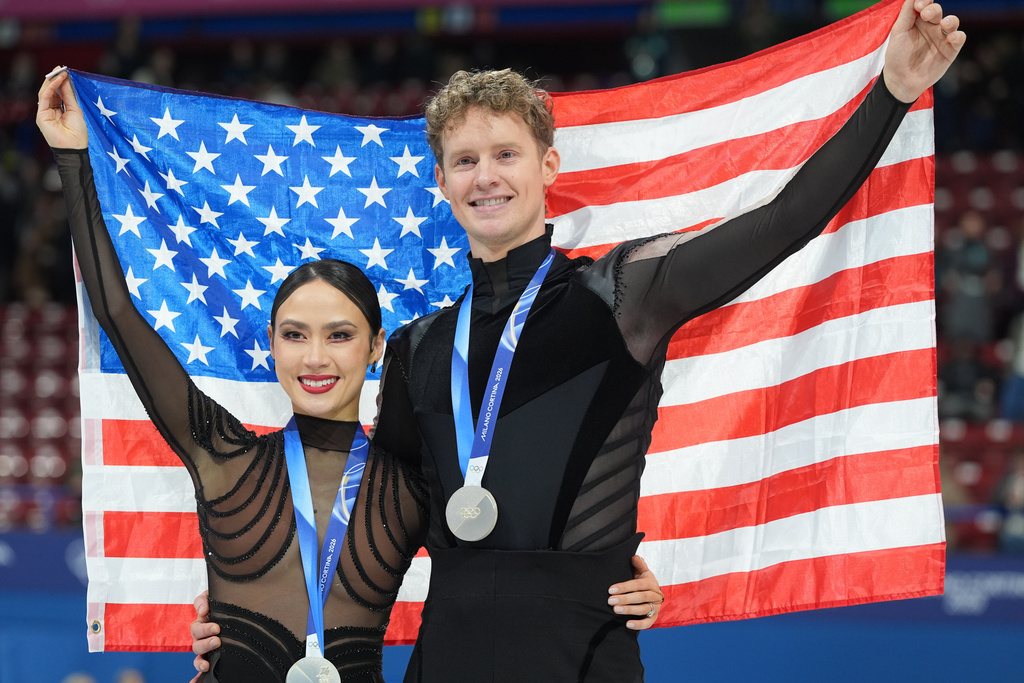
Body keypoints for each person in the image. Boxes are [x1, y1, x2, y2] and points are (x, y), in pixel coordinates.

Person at [194, 0, 964, 680]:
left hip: (584, 652)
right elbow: (372, 515)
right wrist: (246, 617)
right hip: (448, 655)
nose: (485, 176)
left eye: (505, 154)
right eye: (464, 160)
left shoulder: (624, 294)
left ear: (548, 165)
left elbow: (780, 223)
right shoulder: (420, 348)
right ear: (441, 180)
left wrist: (892, 92)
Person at [36, 69, 664, 683]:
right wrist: (72, 160)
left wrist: (609, 570)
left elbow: (513, 545)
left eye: (339, 336)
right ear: (272, 349)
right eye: (294, 336)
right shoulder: (222, 456)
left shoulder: (410, 491)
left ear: (375, 351)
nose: (316, 358)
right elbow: (118, 312)